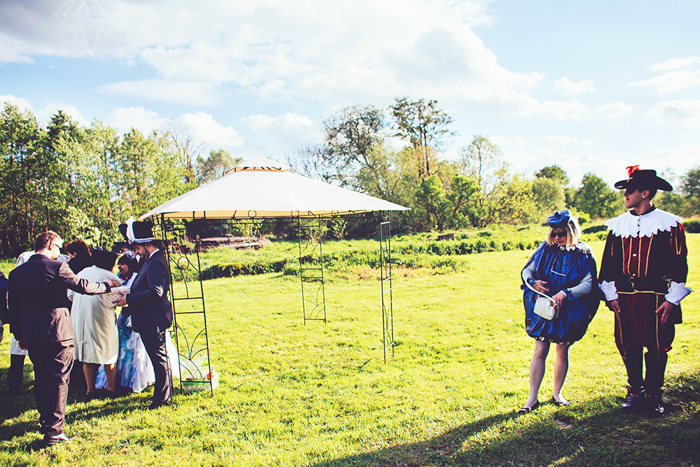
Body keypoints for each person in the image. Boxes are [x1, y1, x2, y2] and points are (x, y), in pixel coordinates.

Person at [7, 231, 119, 446]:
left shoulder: (17, 273)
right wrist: (106, 285)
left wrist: (19, 335)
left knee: (41, 378)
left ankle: (45, 422)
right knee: (59, 380)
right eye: (58, 247)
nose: (60, 253)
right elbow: (83, 286)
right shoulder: (57, 267)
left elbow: (14, 308)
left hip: (32, 334)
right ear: (50, 245)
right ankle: (55, 431)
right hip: (57, 332)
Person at [599, 166, 692, 416]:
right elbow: (608, 264)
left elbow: (679, 264)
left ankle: (653, 393)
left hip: (657, 297)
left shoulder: (670, 224)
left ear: (645, 193)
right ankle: (635, 391)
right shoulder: (618, 226)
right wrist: (610, 295)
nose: (625, 194)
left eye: (630, 190)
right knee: (627, 344)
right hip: (625, 297)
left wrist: (672, 300)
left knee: (658, 345)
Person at [518, 210, 599, 413]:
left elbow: (589, 283)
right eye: (553, 233)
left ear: (571, 230)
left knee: (562, 350)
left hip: (568, 309)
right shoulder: (545, 249)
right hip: (545, 307)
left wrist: (566, 293)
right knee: (540, 350)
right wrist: (532, 282)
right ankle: (532, 399)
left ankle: (557, 394)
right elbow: (527, 270)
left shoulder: (584, 253)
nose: (557, 237)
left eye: (561, 233)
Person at [114, 220, 173, 409]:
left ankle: (162, 399)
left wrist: (129, 299)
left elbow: (156, 291)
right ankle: (162, 395)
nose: (136, 253)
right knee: (159, 359)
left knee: (159, 359)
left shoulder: (155, 262)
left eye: (138, 249)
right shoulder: (152, 260)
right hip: (150, 317)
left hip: (153, 317)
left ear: (147, 245)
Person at [97, 254, 156, 393]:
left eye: (123, 264)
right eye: (119, 264)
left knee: (135, 347)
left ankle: (135, 378)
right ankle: (120, 378)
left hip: (134, 314)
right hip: (124, 315)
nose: (120, 267)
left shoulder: (136, 277)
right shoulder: (119, 278)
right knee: (123, 348)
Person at [68, 249, 121, 399]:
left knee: (87, 354)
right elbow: (117, 296)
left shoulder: (82, 272)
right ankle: (111, 389)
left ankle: (90, 390)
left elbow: (70, 294)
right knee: (109, 352)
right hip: (101, 317)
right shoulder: (110, 277)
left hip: (80, 316)